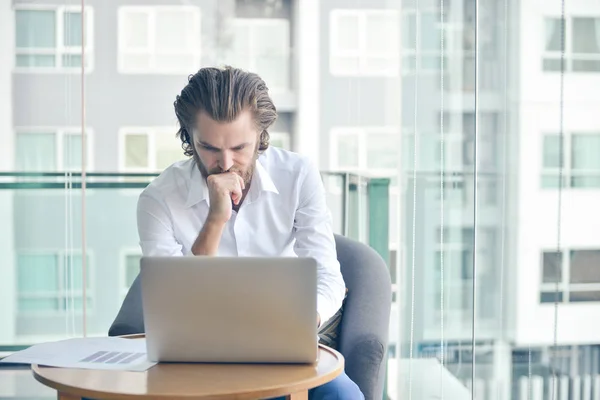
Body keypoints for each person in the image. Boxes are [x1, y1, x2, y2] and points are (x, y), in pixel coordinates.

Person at [136, 66, 364, 400]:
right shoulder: (158, 200)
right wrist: (215, 219)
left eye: (240, 147)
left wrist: (295, 329)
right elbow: (179, 305)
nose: (226, 163)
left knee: (344, 397)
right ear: (189, 136)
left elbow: (328, 275)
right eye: (209, 147)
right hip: (196, 357)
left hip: (286, 348)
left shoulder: (298, 176)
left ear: (261, 136)